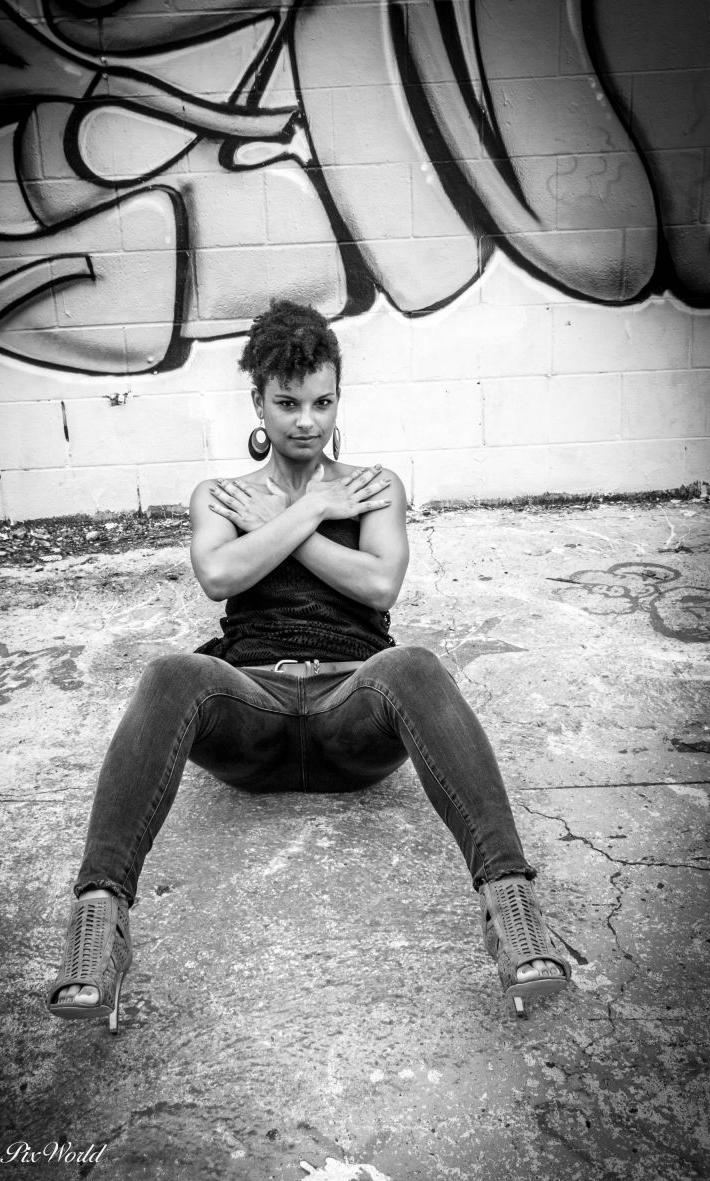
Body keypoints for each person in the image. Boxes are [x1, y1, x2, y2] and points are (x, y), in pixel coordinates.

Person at [47, 299, 570, 1030]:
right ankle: (98, 928)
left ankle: (513, 911)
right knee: (170, 673)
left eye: (322, 403)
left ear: (338, 400)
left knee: (414, 664)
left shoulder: (373, 488)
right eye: (287, 403)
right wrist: (305, 511)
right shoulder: (220, 496)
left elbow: (379, 585)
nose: (305, 421)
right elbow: (220, 576)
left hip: (352, 706)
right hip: (251, 706)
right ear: (258, 403)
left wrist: (286, 522)